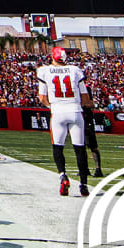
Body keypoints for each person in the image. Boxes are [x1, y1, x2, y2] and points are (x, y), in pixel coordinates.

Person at [36, 46, 90, 197]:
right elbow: (84, 95)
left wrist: (51, 106)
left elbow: (41, 97)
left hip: (58, 112)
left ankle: (63, 176)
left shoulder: (44, 71)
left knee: (57, 147)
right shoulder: (74, 70)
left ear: (52, 57)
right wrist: (84, 105)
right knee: (80, 149)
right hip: (75, 110)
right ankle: (83, 185)